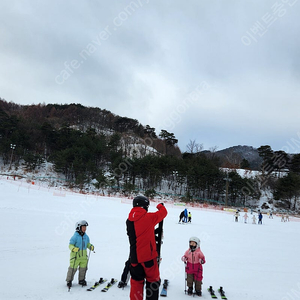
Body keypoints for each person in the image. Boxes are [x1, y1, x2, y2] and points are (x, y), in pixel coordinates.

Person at [126, 195, 167, 300]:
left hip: (134, 258)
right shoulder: (149, 218)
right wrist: (159, 206)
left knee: (136, 283)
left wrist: (151, 233)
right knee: (153, 281)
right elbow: (163, 213)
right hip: (148, 258)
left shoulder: (129, 221)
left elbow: (139, 234)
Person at [66, 220, 94, 288]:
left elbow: (87, 244)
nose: (85, 228)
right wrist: (73, 248)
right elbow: (70, 245)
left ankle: (81, 280)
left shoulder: (86, 237)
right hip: (75, 257)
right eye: (83, 227)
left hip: (84, 256)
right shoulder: (75, 237)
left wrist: (90, 246)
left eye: (85, 227)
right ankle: (69, 280)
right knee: (72, 268)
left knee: (83, 268)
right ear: (79, 227)